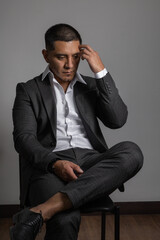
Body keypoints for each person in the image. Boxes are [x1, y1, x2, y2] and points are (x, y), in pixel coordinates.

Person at [10, 23, 143, 240]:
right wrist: (55, 163)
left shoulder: (91, 86)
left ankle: (39, 212)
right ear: (46, 55)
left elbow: (118, 120)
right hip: (49, 167)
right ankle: (55, 207)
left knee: (133, 152)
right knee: (65, 218)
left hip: (91, 165)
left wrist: (100, 71)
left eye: (75, 57)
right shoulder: (28, 90)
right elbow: (23, 139)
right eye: (61, 57)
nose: (70, 65)